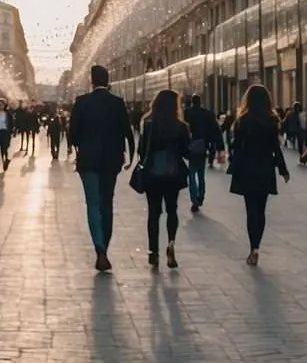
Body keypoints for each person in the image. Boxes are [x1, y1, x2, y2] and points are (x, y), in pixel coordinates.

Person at [68, 65, 135, 272]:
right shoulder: (117, 103)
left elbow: (72, 135)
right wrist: (130, 156)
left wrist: (82, 145)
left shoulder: (81, 102)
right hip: (111, 161)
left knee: (93, 203)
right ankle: (104, 246)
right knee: (107, 202)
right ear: (108, 81)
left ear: (92, 81)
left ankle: (99, 247)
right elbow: (128, 132)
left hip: (88, 161)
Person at [228, 84, 290, 266]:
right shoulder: (271, 120)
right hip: (265, 168)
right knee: (261, 210)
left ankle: (252, 247)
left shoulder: (242, 121)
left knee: (250, 209)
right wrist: (283, 170)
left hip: (247, 168)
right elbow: (275, 148)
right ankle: (257, 247)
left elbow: (236, 147)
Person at [136, 89, 192, 269]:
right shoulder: (181, 126)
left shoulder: (148, 124)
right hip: (172, 173)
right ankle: (171, 243)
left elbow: (142, 151)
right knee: (172, 209)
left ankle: (153, 252)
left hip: (153, 173)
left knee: (153, 213)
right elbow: (186, 152)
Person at [183, 94, 221, 213]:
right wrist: (218, 145)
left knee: (191, 173)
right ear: (200, 102)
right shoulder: (208, 113)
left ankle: (194, 199)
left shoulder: (186, 113)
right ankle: (201, 196)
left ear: (192, 102)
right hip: (203, 146)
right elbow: (215, 130)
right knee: (200, 174)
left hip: (191, 146)